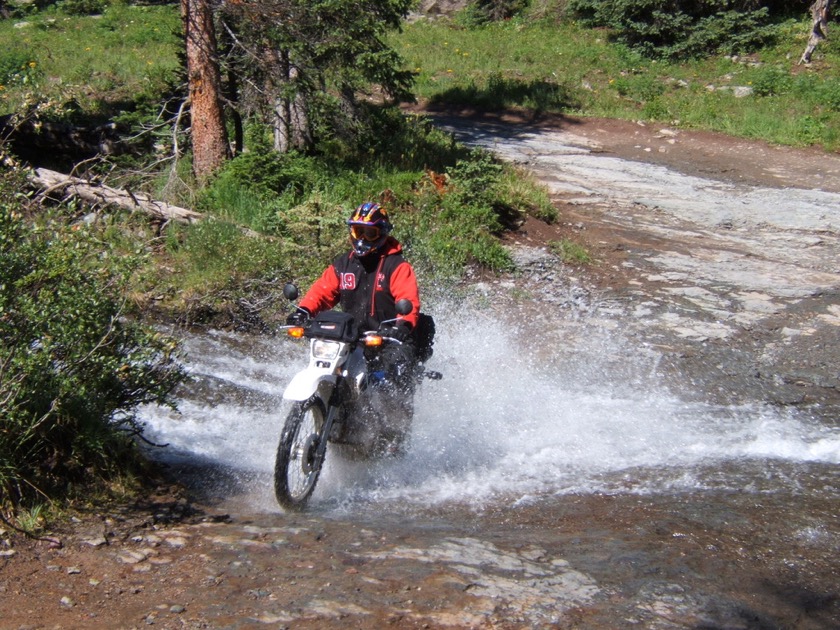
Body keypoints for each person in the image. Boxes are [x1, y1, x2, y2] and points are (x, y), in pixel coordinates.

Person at [286, 203, 422, 454]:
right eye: (358, 232)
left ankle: (395, 439)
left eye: (369, 233)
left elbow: (408, 299)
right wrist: (303, 311)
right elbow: (322, 292)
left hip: (389, 338)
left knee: (394, 377)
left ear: (381, 233)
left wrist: (403, 324)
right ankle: (337, 418)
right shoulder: (343, 264)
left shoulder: (397, 266)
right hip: (350, 337)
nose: (363, 239)